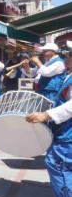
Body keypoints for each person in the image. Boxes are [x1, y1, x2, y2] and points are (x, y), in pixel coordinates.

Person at [25, 55, 72, 197]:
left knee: (59, 166)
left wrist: (47, 115)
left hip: (67, 133)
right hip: (64, 128)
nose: (67, 57)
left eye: (70, 54)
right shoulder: (67, 73)